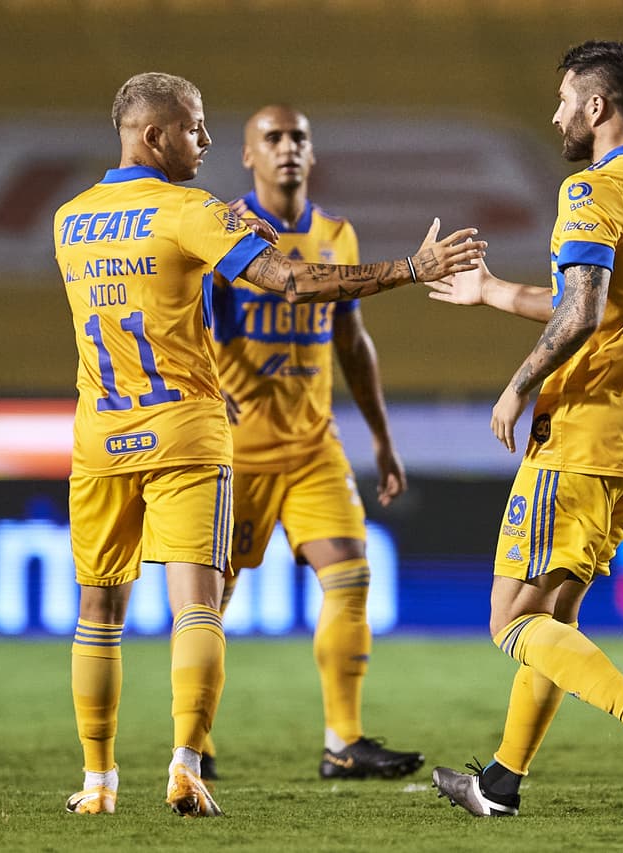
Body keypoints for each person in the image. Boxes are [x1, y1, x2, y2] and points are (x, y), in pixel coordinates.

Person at [54, 71, 483, 817]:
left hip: (101, 437)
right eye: (194, 126)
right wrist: (407, 269)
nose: (206, 139)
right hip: (191, 432)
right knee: (197, 607)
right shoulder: (190, 212)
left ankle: (97, 782)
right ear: (156, 137)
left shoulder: (70, 219)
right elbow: (286, 279)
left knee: (98, 613)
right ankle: (187, 765)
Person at [426, 41, 623, 823]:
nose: (555, 114)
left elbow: (581, 314)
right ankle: (501, 781)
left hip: (584, 433)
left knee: (512, 620)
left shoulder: (591, 190)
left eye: (564, 101)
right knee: (555, 616)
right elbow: (604, 307)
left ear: (596, 108)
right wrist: (489, 291)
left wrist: (518, 387)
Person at [202, 104, 422, 781]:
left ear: (311, 151)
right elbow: (186, 329)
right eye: (272, 137)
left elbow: (352, 342)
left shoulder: (336, 235)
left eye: (298, 136)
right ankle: (194, 742)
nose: (287, 147)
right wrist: (213, 392)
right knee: (210, 598)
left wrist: (382, 438)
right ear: (248, 155)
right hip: (238, 450)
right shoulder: (224, 231)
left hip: (314, 445)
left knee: (351, 576)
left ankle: (344, 740)